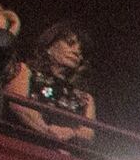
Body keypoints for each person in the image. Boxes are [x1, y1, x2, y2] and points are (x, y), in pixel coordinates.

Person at [7, 21, 99, 149]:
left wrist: (71, 133)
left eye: (81, 50)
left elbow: (88, 134)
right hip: (21, 147)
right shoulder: (25, 71)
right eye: (70, 43)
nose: (77, 51)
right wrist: (48, 131)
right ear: (49, 47)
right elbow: (18, 106)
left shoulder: (86, 98)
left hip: (62, 158)